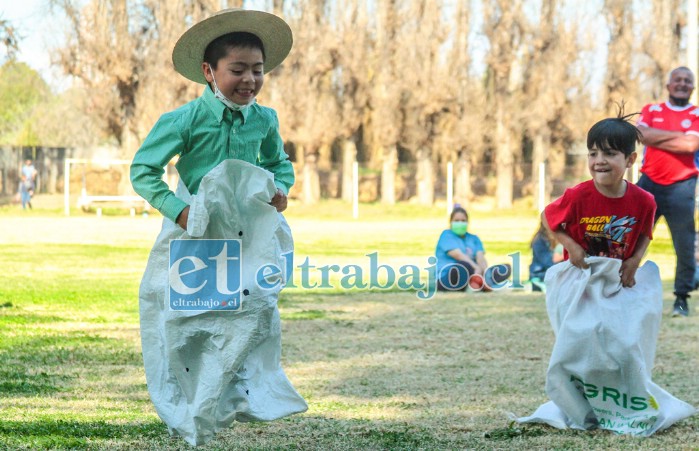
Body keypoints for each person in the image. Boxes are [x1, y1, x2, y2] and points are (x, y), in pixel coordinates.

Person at [130, 9, 294, 226]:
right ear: (208, 71)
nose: (249, 79)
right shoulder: (184, 121)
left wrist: (280, 188)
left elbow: (277, 163)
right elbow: (143, 171)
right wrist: (179, 211)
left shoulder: (265, 119)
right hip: (194, 229)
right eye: (237, 71)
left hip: (249, 228)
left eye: (257, 71)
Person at [543, 113, 656, 289]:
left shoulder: (645, 201)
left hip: (618, 284)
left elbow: (645, 234)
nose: (599, 161)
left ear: (630, 160)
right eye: (593, 154)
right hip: (579, 282)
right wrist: (571, 247)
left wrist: (635, 259)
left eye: (610, 153)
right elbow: (547, 217)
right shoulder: (577, 196)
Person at [636, 66, 699, 317]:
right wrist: (678, 137)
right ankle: (619, 286)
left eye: (687, 81)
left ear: (692, 87)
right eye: (678, 80)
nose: (682, 84)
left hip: (682, 186)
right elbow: (641, 134)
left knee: (684, 245)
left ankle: (681, 299)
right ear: (668, 85)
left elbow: (691, 144)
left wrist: (657, 136)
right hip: (648, 184)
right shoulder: (651, 109)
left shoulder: (696, 113)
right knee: (632, 237)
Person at [435, 205, 512, 291]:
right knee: (464, 266)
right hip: (449, 276)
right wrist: (476, 267)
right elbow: (458, 255)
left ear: (468, 222)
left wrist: (484, 272)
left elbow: (480, 256)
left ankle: (481, 283)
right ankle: (478, 284)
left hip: (474, 273)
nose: (460, 223)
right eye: (456, 221)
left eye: (463, 221)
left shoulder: (474, 238)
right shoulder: (446, 235)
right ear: (450, 222)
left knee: (505, 268)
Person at [528, 220, 564, 292]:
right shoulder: (539, 241)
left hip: (551, 272)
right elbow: (549, 262)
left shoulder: (556, 239)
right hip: (539, 274)